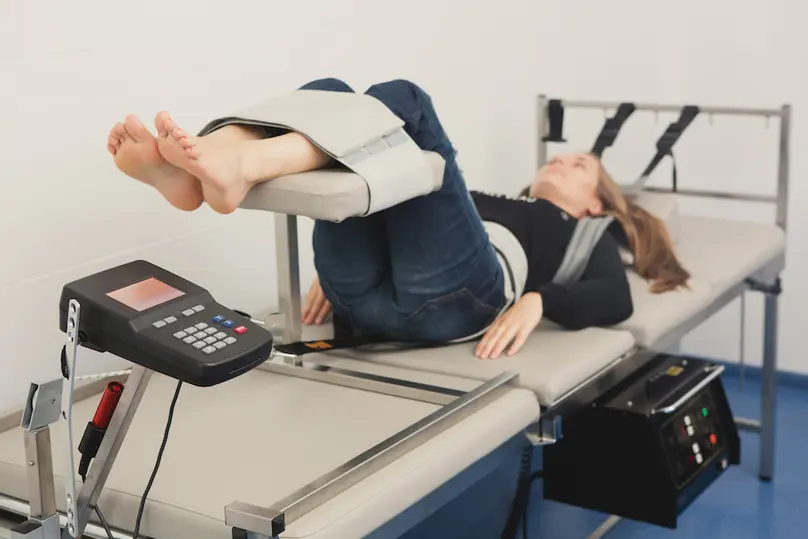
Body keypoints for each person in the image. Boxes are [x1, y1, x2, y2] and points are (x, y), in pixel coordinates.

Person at [106, 78, 689, 360]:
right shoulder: (478, 198)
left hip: (461, 299)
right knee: (331, 94)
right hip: (361, 295)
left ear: (596, 203)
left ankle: (234, 162)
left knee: (401, 99)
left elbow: (617, 300)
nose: (560, 159)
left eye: (579, 164)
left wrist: (539, 299)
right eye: (559, 155)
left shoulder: (582, 230)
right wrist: (336, 271)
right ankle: (216, 166)